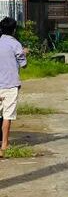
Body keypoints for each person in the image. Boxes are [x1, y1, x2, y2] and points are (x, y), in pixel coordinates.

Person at [0, 18, 27, 158]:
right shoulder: (15, 44)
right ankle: (4, 144)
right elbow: (23, 64)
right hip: (10, 84)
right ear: (14, 30)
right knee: (7, 115)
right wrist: (24, 53)